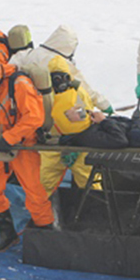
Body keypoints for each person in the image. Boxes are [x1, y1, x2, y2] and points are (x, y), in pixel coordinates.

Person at [0, 56, 55, 252]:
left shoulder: (20, 85)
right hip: (4, 145)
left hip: (24, 146)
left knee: (35, 193)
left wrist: (10, 138)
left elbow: (34, 117)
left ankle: (46, 234)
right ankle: (8, 234)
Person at [12, 24, 114, 114]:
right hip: (50, 110)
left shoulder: (29, 53)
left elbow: (10, 67)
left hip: (22, 104)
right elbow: (84, 88)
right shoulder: (61, 64)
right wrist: (104, 105)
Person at [40, 55, 101, 195]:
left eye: (63, 77)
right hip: (53, 143)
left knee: (89, 181)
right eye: (55, 78)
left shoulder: (78, 93)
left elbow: (87, 119)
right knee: (44, 182)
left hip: (79, 144)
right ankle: (44, 213)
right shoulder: (45, 95)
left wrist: (76, 145)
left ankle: (98, 210)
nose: (60, 82)